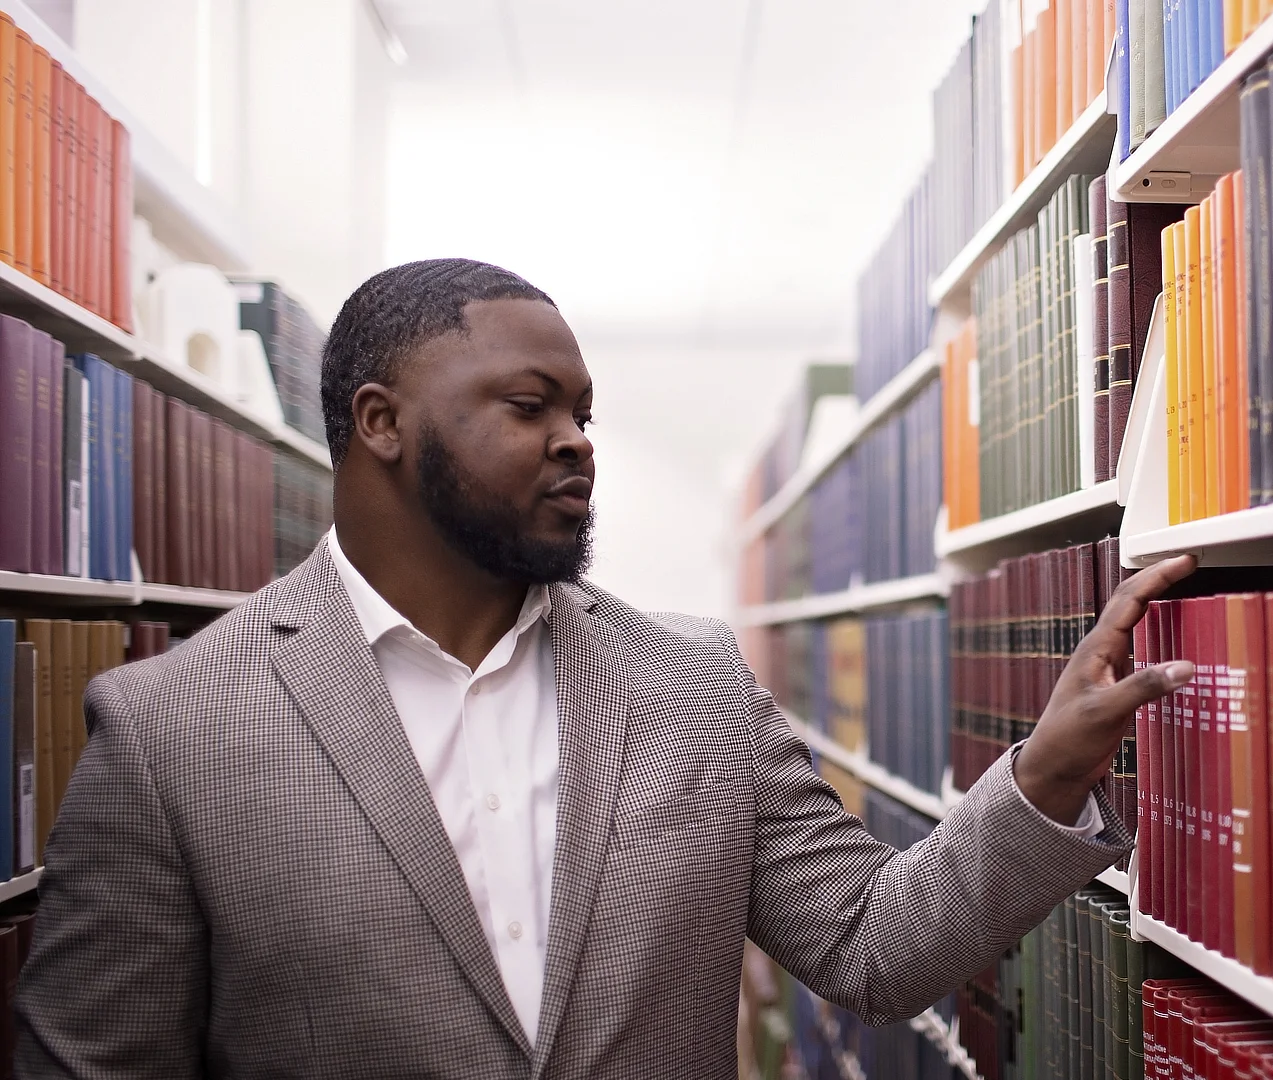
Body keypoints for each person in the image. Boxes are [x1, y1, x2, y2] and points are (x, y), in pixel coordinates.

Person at [16, 258, 1196, 1078]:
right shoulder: (172, 726)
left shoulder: (690, 684)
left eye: (583, 410)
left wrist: (1045, 772)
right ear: (380, 422)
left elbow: (871, 943)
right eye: (529, 407)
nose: (577, 440)